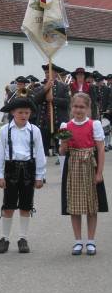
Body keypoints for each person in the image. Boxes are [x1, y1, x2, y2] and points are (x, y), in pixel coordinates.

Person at [0, 97, 46, 254]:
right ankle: (4, 238)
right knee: (8, 205)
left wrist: (39, 176)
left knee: (26, 205)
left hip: (28, 169)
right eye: (20, 112)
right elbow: (0, 153)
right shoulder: (5, 130)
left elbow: (40, 153)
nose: (24, 115)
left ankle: (23, 238)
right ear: (13, 112)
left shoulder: (34, 131)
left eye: (27, 112)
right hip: (11, 169)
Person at [60, 93, 108, 256]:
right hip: (73, 165)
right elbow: (61, 151)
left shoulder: (94, 124)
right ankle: (78, 241)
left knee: (91, 205)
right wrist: (64, 143)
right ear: (71, 108)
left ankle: (91, 241)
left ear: (88, 108)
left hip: (89, 165)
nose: (78, 109)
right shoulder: (65, 126)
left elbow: (100, 149)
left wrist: (99, 172)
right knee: (74, 206)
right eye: (76, 106)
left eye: (82, 107)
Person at [34, 64, 70, 156]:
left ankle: (62, 164)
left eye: (49, 72)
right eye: (45, 72)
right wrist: (45, 88)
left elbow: (67, 103)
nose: (47, 74)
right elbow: (34, 100)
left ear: (55, 74)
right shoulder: (40, 87)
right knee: (42, 150)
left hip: (60, 122)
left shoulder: (64, 86)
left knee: (63, 149)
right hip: (44, 123)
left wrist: (53, 99)